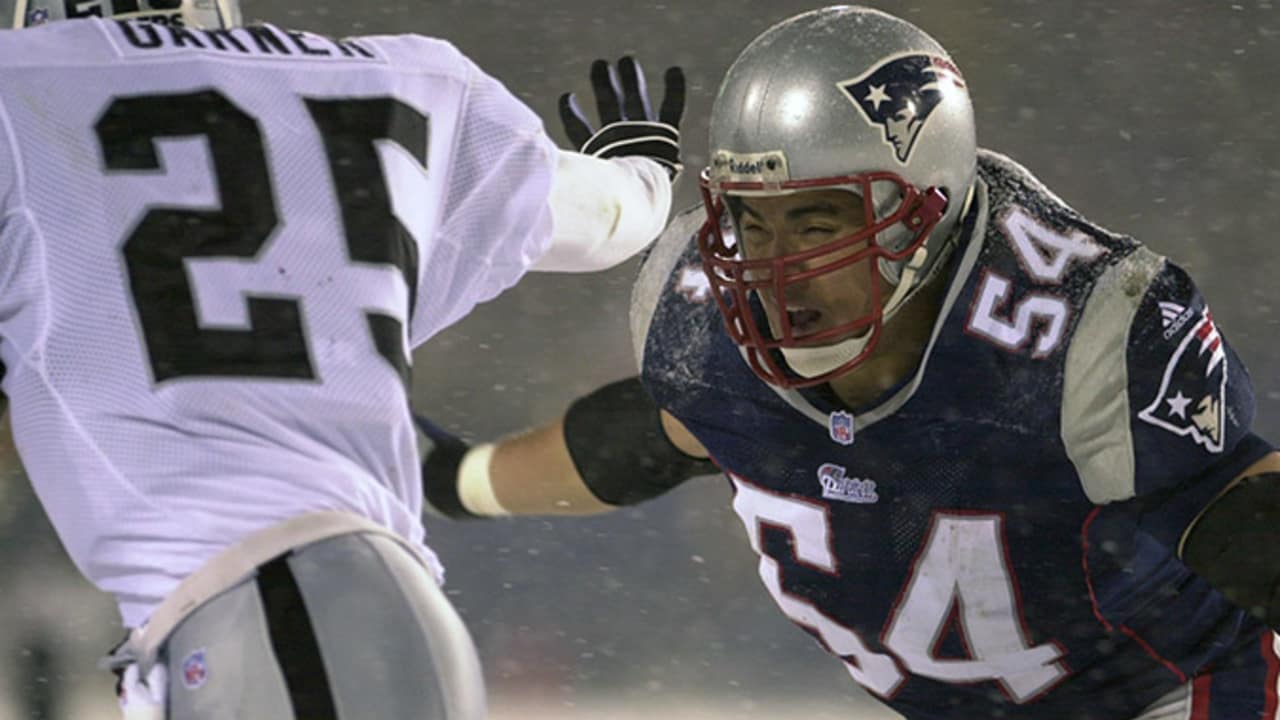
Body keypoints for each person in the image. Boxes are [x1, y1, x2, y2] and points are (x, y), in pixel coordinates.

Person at [418, 6, 1280, 719]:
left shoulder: (1080, 328)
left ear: (925, 214)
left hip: (1166, 697)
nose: (773, 264)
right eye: (753, 220)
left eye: (819, 224)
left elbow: (1248, 522)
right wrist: (455, 480)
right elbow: (663, 433)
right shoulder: (700, 312)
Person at [0, 0, 684, 717]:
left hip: (269, 616)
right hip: (339, 607)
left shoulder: (24, 93)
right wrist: (641, 174)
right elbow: (609, 224)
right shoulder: (408, 81)